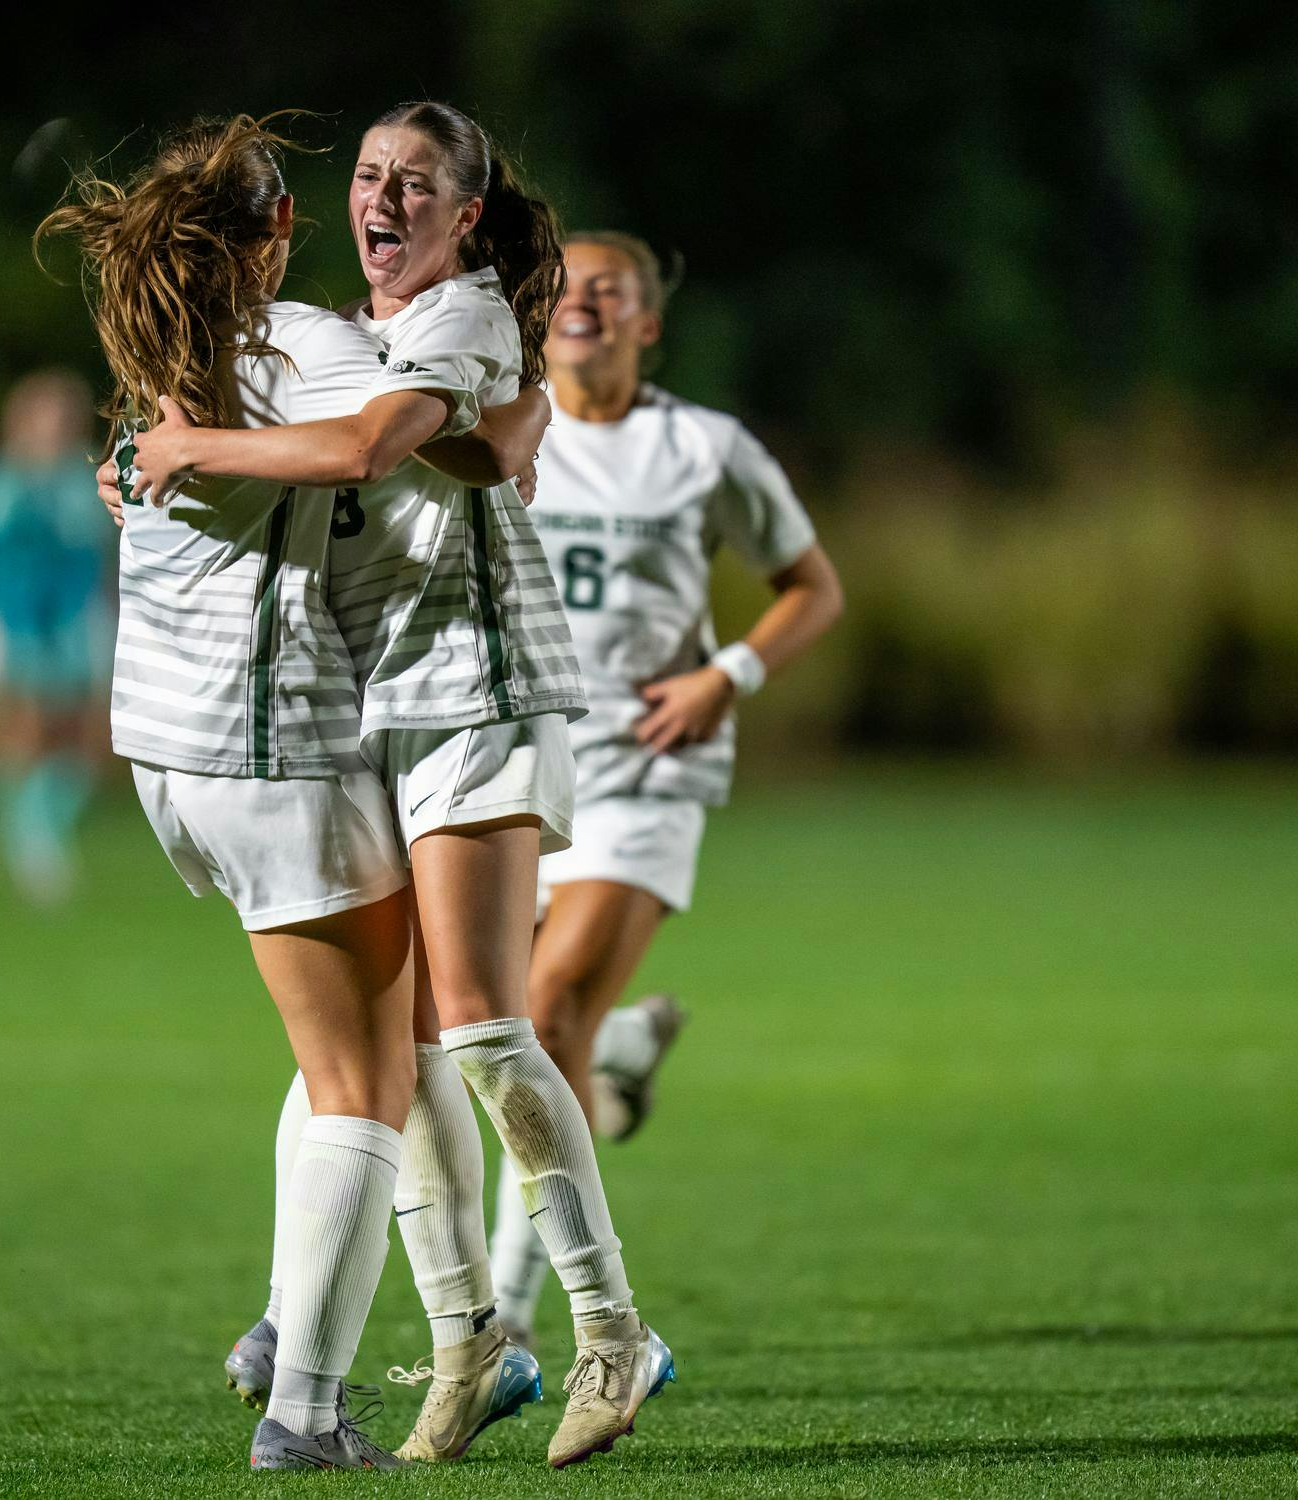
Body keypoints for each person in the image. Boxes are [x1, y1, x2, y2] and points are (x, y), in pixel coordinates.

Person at [127, 103, 674, 1471]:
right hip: (385, 710)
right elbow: (410, 437)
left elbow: (377, 444)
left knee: (478, 1028)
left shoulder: (461, 318)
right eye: (369, 175)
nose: (383, 198)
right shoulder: (344, 337)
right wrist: (149, 455)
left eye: (415, 183)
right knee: (403, 1049)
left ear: (464, 216)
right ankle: (467, 1338)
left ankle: (610, 1329)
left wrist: (184, 449)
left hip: (479, 689)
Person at [44, 113, 546, 1473]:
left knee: (357, 1037)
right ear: (278, 228)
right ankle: (306, 1411)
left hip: (167, 757)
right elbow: (396, 431)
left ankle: (296, 1327)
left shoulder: (166, 360)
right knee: (365, 1080)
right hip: (272, 751)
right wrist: (521, 404)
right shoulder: (308, 348)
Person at [487, 232, 845, 1347]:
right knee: (495, 1031)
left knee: (543, 1014)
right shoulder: (496, 425)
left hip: (646, 764)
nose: (584, 302)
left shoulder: (702, 447)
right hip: (512, 757)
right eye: (567, 285)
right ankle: (619, 1053)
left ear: (646, 322)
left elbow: (812, 588)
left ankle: (510, 1313)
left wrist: (723, 677)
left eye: (612, 290)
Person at [0, 372, 114, 903]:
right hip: (10, 625)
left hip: (77, 624)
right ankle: (27, 841)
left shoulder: (87, 482)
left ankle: (43, 826)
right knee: (20, 732)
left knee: (86, 737)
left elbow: (108, 558)